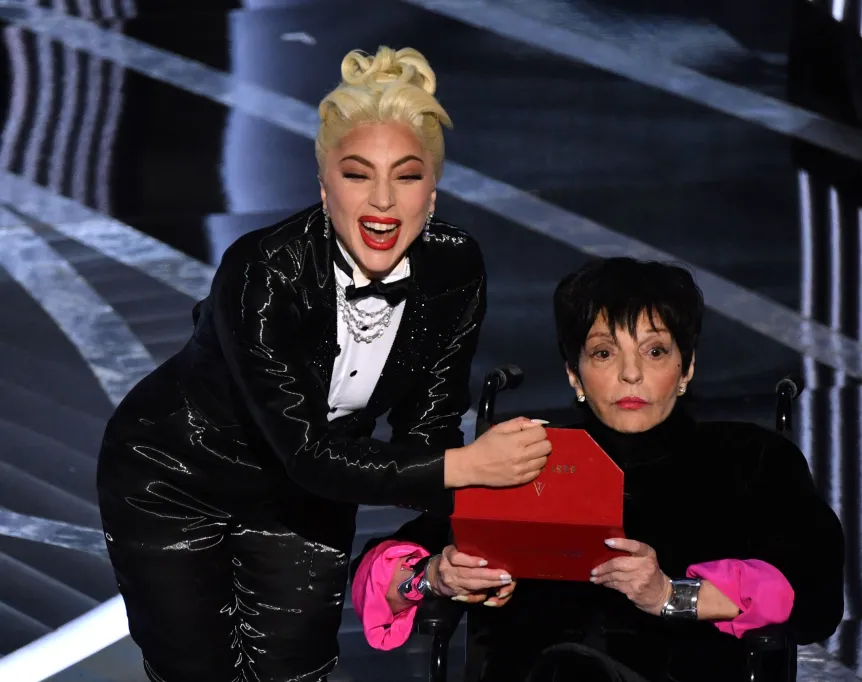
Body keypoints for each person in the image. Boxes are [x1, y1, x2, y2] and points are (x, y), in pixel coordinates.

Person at [95, 46, 551, 682]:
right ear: (323, 185)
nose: (384, 201)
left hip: (309, 492)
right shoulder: (263, 270)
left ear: (433, 192)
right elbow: (306, 449)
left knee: (297, 669)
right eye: (359, 174)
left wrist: (459, 550)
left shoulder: (454, 268)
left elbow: (432, 427)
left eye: (408, 175)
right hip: (176, 478)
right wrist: (468, 466)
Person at [351, 257, 845, 681]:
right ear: (575, 374)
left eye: (654, 351)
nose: (631, 374)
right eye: (605, 353)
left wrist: (673, 595)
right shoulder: (524, 455)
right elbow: (381, 578)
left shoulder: (750, 460)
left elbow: (814, 594)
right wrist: (434, 577)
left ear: (687, 368)